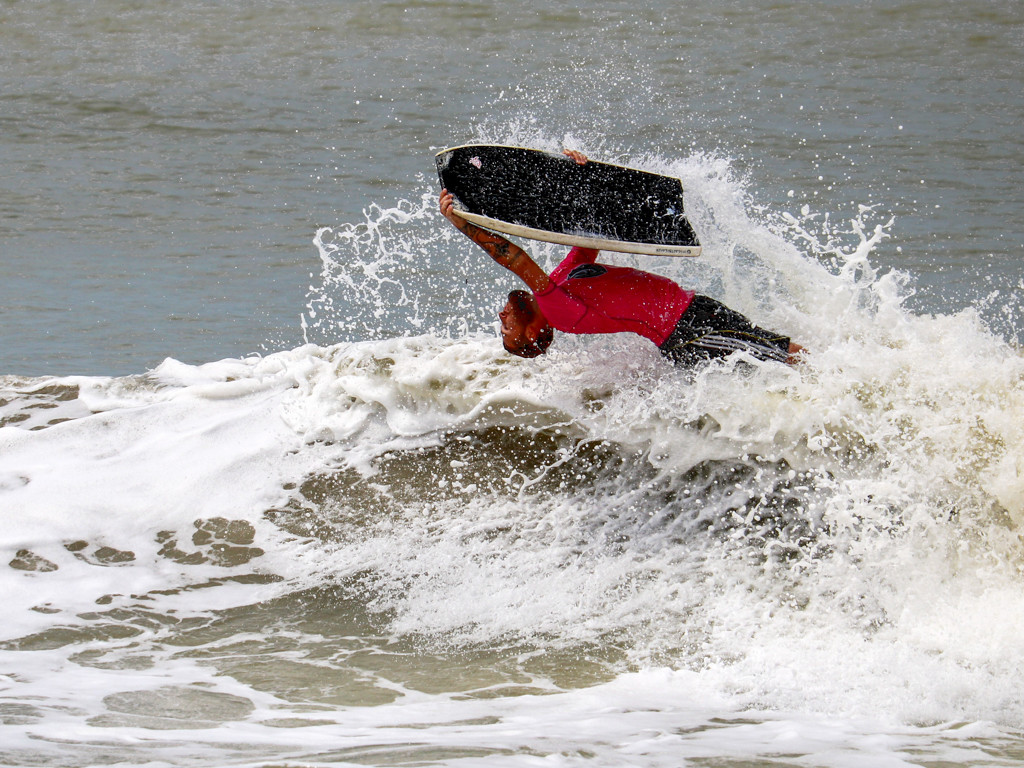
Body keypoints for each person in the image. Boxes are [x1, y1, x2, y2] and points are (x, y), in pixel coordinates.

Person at [439, 149, 803, 367]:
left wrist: (576, 176)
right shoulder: (559, 312)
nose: (502, 317)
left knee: (771, 356)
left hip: (691, 317)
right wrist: (461, 224)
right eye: (508, 329)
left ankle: (835, 383)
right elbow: (514, 258)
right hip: (687, 331)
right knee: (779, 353)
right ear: (534, 332)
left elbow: (585, 242)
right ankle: (842, 382)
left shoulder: (564, 286)